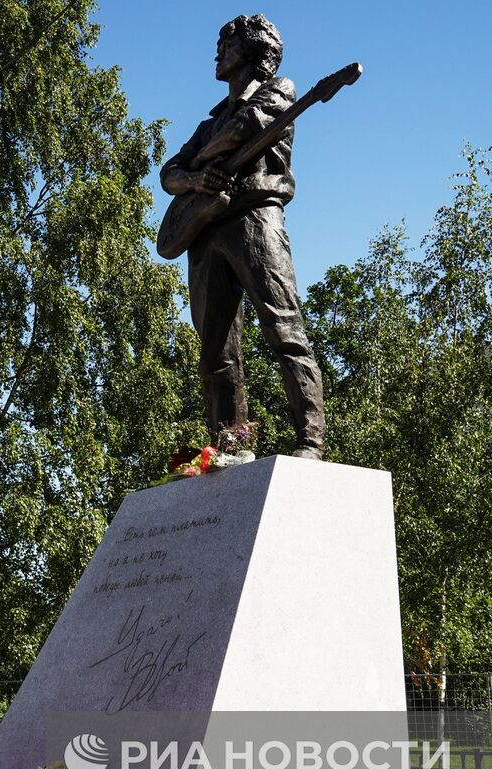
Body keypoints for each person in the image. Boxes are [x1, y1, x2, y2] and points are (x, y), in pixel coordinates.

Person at [160, 14, 325, 458]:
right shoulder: (207, 122)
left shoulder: (280, 90)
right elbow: (168, 173)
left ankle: (310, 441)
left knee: (283, 328)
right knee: (215, 351)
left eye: (227, 43)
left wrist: (198, 165)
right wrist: (196, 181)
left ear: (253, 51)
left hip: (256, 216)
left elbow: (241, 129)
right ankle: (229, 446)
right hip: (206, 228)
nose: (218, 51)